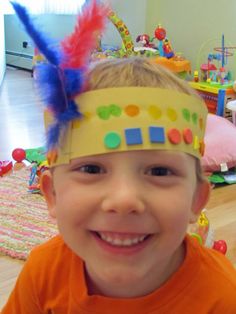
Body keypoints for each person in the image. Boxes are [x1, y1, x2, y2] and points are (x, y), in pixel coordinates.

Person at [2, 2, 236, 314]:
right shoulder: (43, 273)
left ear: (197, 199)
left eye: (159, 171)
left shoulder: (222, 296)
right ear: (52, 194)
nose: (124, 199)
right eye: (92, 168)